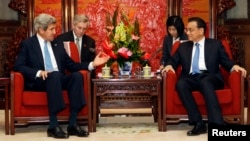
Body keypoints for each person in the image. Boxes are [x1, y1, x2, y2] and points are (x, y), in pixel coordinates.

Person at [14, 13, 110, 139]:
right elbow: (19, 66)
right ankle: (53, 125)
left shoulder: (57, 44)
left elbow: (71, 65)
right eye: (52, 29)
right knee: (54, 76)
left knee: (76, 77)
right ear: (41, 30)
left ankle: (73, 124)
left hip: (58, 78)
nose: (55, 32)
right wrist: (38, 72)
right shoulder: (28, 44)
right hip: (40, 81)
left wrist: (92, 64)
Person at [161, 17, 247, 136]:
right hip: (191, 78)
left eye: (191, 30)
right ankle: (198, 123)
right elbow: (173, 60)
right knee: (181, 84)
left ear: (201, 31)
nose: (187, 32)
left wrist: (234, 67)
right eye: (187, 30)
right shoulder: (183, 46)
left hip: (210, 76)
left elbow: (225, 61)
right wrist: (169, 65)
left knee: (205, 81)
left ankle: (217, 125)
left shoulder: (215, 44)